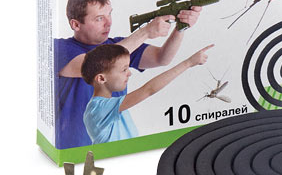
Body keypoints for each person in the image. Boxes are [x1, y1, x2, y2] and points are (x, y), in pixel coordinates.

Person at [55, 0, 201, 149]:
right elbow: (93, 64)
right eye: (99, 18)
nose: (109, 23)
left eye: (109, 14)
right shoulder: (60, 48)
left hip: (119, 144)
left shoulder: (120, 45)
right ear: (76, 24)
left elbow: (162, 58)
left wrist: (181, 27)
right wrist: (145, 32)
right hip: (74, 149)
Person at [81, 43, 213, 144]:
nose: (129, 73)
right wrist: (188, 63)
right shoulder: (98, 109)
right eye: (124, 70)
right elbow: (148, 89)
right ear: (101, 78)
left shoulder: (110, 106)